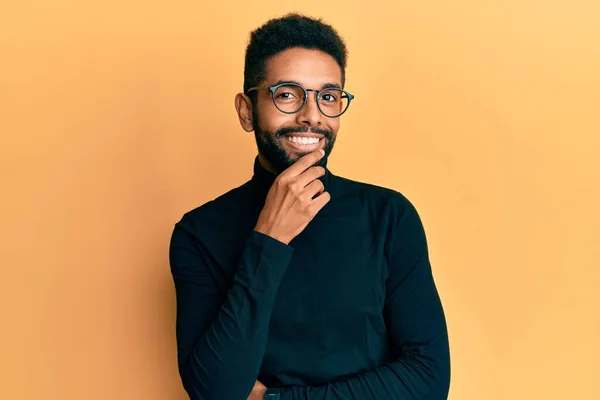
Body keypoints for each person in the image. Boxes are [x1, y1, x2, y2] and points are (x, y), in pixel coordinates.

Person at [169, 13, 451, 400]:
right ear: (246, 110)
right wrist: (268, 238)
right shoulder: (198, 234)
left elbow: (428, 379)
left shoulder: (389, 216)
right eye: (287, 94)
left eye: (328, 97)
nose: (311, 116)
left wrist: (277, 399)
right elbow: (214, 390)